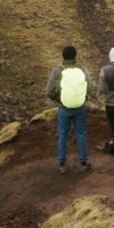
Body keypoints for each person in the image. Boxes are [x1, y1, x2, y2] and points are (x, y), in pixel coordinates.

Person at [45, 45, 91, 173]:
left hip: (63, 108)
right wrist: (82, 97)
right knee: (81, 133)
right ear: (75, 55)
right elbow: (91, 88)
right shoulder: (82, 69)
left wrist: (59, 98)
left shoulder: (57, 71)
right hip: (80, 107)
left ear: (63, 56)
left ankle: (62, 163)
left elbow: (48, 91)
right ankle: (84, 161)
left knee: (63, 135)